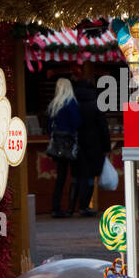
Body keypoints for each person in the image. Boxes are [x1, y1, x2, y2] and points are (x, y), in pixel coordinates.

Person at [73, 63, 111, 216]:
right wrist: (107, 147)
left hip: (77, 144)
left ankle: (74, 207)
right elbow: (104, 127)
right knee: (90, 176)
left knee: (78, 175)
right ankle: (86, 206)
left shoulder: (73, 102)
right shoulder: (96, 104)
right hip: (94, 145)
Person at [46, 77, 81, 218]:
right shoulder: (71, 103)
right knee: (74, 175)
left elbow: (49, 127)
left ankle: (56, 207)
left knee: (60, 177)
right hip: (70, 143)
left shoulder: (54, 104)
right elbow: (77, 122)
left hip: (57, 145)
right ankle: (71, 207)